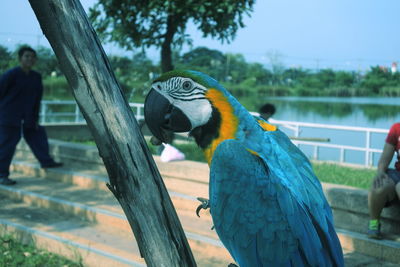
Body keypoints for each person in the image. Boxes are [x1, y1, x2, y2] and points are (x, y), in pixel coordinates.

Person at [0, 46, 63, 185]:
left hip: (28, 116)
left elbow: (37, 99)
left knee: (38, 135)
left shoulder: (36, 77)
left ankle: (46, 162)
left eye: (32, 57)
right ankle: (2, 174)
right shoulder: (11, 75)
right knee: (7, 145)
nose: (30, 59)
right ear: (20, 58)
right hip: (9, 116)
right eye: (26, 56)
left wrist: (35, 117)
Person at [367, 122, 400, 239]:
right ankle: (374, 224)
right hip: (397, 173)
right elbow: (386, 156)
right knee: (378, 186)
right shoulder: (397, 128)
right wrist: (380, 172)